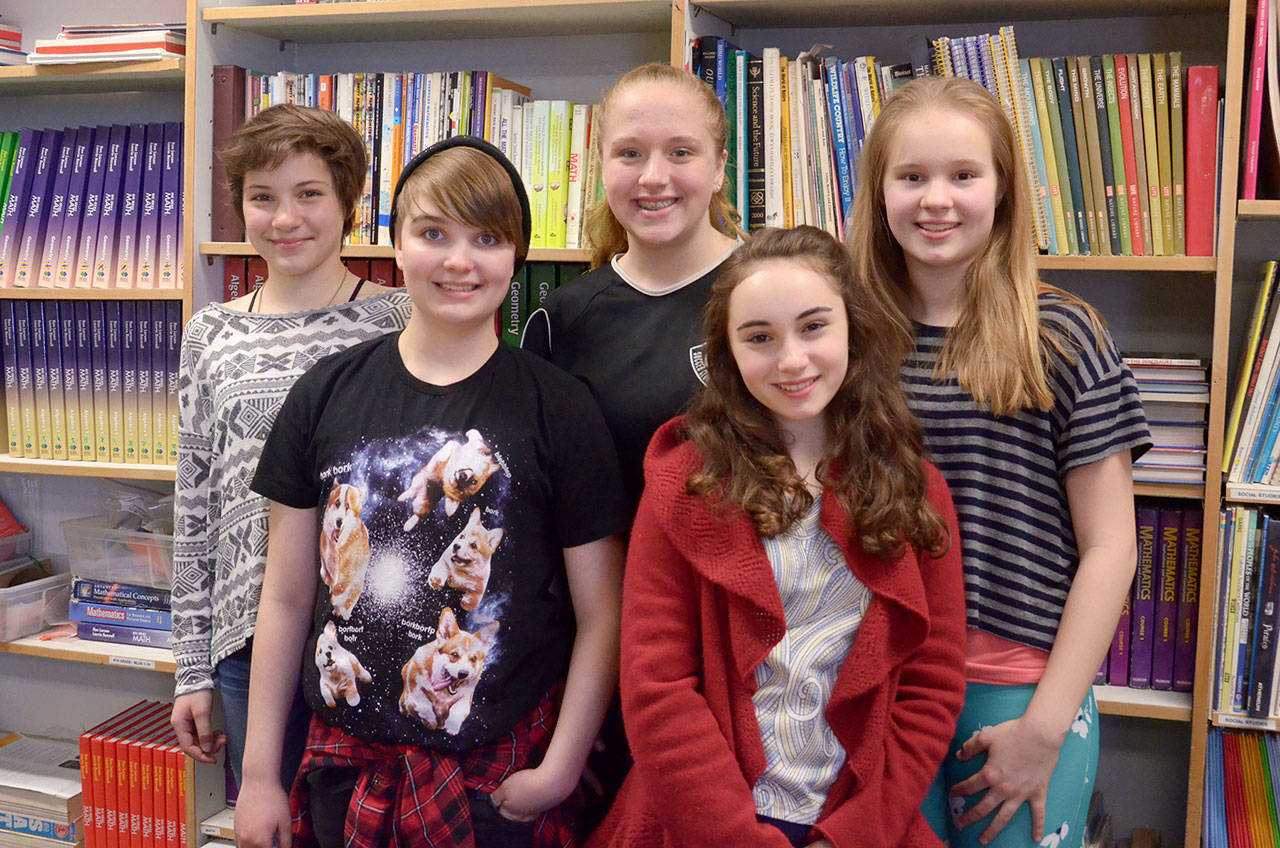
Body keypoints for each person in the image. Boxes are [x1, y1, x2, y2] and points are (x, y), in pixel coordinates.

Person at [235, 135, 628, 848]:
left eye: (486, 238)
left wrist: (562, 768)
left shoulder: (561, 408)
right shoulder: (324, 393)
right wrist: (260, 776)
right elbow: (287, 594)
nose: (458, 260)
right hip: (344, 774)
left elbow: (604, 612)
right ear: (396, 243)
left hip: (499, 784)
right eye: (433, 232)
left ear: (517, 255)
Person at [589, 225, 967, 848]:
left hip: (856, 825)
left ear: (853, 329)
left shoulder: (916, 491)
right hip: (701, 826)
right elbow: (657, 690)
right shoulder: (685, 482)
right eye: (760, 337)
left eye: (814, 327)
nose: (792, 360)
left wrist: (849, 835)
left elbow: (932, 688)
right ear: (728, 352)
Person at [847, 76, 1151, 848]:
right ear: (879, 192)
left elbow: (1112, 547)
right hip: (878, 682)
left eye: (963, 175)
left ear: (1004, 189)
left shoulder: (1062, 334)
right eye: (911, 177)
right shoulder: (846, 335)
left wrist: (1045, 728)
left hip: (1020, 690)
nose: (936, 200)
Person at [171, 104, 411, 791]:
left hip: (376, 640)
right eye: (262, 198)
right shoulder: (211, 334)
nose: (285, 219)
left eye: (309, 194)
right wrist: (192, 667)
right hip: (249, 650)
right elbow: (194, 510)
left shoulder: (396, 319)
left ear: (348, 205)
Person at [522, 62, 744, 514]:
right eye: (630, 153)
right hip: (609, 581)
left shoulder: (775, 289)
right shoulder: (562, 318)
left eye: (681, 152)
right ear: (601, 165)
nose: (653, 177)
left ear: (719, 167)